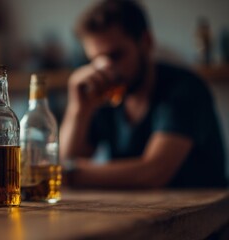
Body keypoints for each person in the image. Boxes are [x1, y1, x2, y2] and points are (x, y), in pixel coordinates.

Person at [60, 0, 227, 188]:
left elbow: (152, 173)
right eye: (96, 59)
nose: (106, 70)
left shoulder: (185, 89)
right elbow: (67, 160)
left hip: (203, 216)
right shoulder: (108, 94)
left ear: (146, 42)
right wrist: (78, 108)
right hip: (141, 213)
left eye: (116, 56)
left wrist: (72, 174)